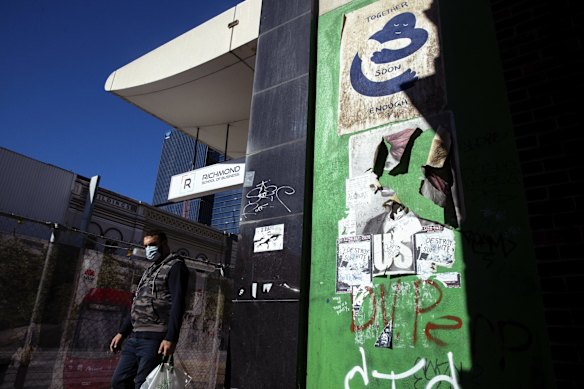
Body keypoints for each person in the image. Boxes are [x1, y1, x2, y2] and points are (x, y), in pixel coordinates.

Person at [110, 230, 189, 388]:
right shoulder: (149, 271)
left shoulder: (176, 266)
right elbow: (137, 304)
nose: (148, 249)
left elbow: (178, 303)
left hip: (155, 338)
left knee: (145, 384)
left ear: (164, 244)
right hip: (135, 337)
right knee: (119, 381)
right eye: (146, 246)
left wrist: (171, 338)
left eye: (152, 245)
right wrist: (122, 332)